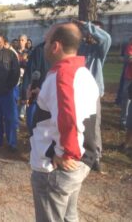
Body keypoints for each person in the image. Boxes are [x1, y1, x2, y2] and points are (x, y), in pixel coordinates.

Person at [30, 22, 99, 222]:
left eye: (46, 42)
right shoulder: (82, 73)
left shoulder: (63, 76)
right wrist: (41, 95)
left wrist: (64, 153)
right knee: (70, 217)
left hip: (56, 167)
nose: (44, 46)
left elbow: (70, 118)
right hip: (78, 162)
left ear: (55, 46)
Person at [75, 19, 112, 172]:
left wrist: (87, 25)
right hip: (78, 90)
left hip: (94, 92)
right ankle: (80, 151)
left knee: (94, 124)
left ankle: (96, 156)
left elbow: (106, 38)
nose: (90, 34)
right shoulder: (81, 47)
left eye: (94, 32)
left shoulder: (100, 49)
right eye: (89, 32)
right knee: (78, 121)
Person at [21, 42, 50, 134]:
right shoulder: (39, 50)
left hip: (54, 98)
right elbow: (30, 72)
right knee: (32, 123)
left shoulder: (67, 52)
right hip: (36, 94)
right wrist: (25, 93)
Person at [118, 37, 132, 129]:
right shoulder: (130, 46)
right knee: (127, 99)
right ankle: (124, 120)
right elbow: (129, 59)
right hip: (130, 76)